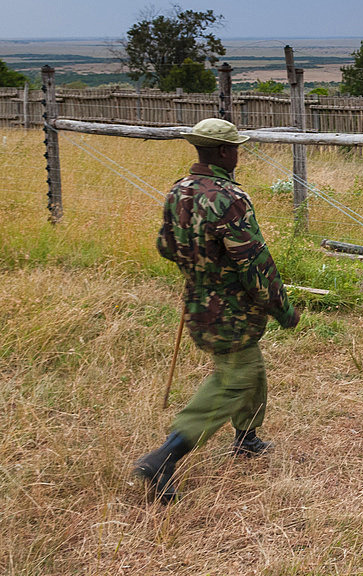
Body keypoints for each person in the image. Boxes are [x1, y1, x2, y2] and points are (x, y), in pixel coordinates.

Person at [133, 117, 300, 503]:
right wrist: (282, 308)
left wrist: (198, 267)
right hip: (230, 307)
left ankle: (246, 439)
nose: (238, 152)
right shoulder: (229, 198)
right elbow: (254, 263)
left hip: (198, 300)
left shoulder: (180, 191)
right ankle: (166, 455)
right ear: (225, 152)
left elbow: (165, 246)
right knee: (235, 379)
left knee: (249, 367)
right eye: (235, 147)